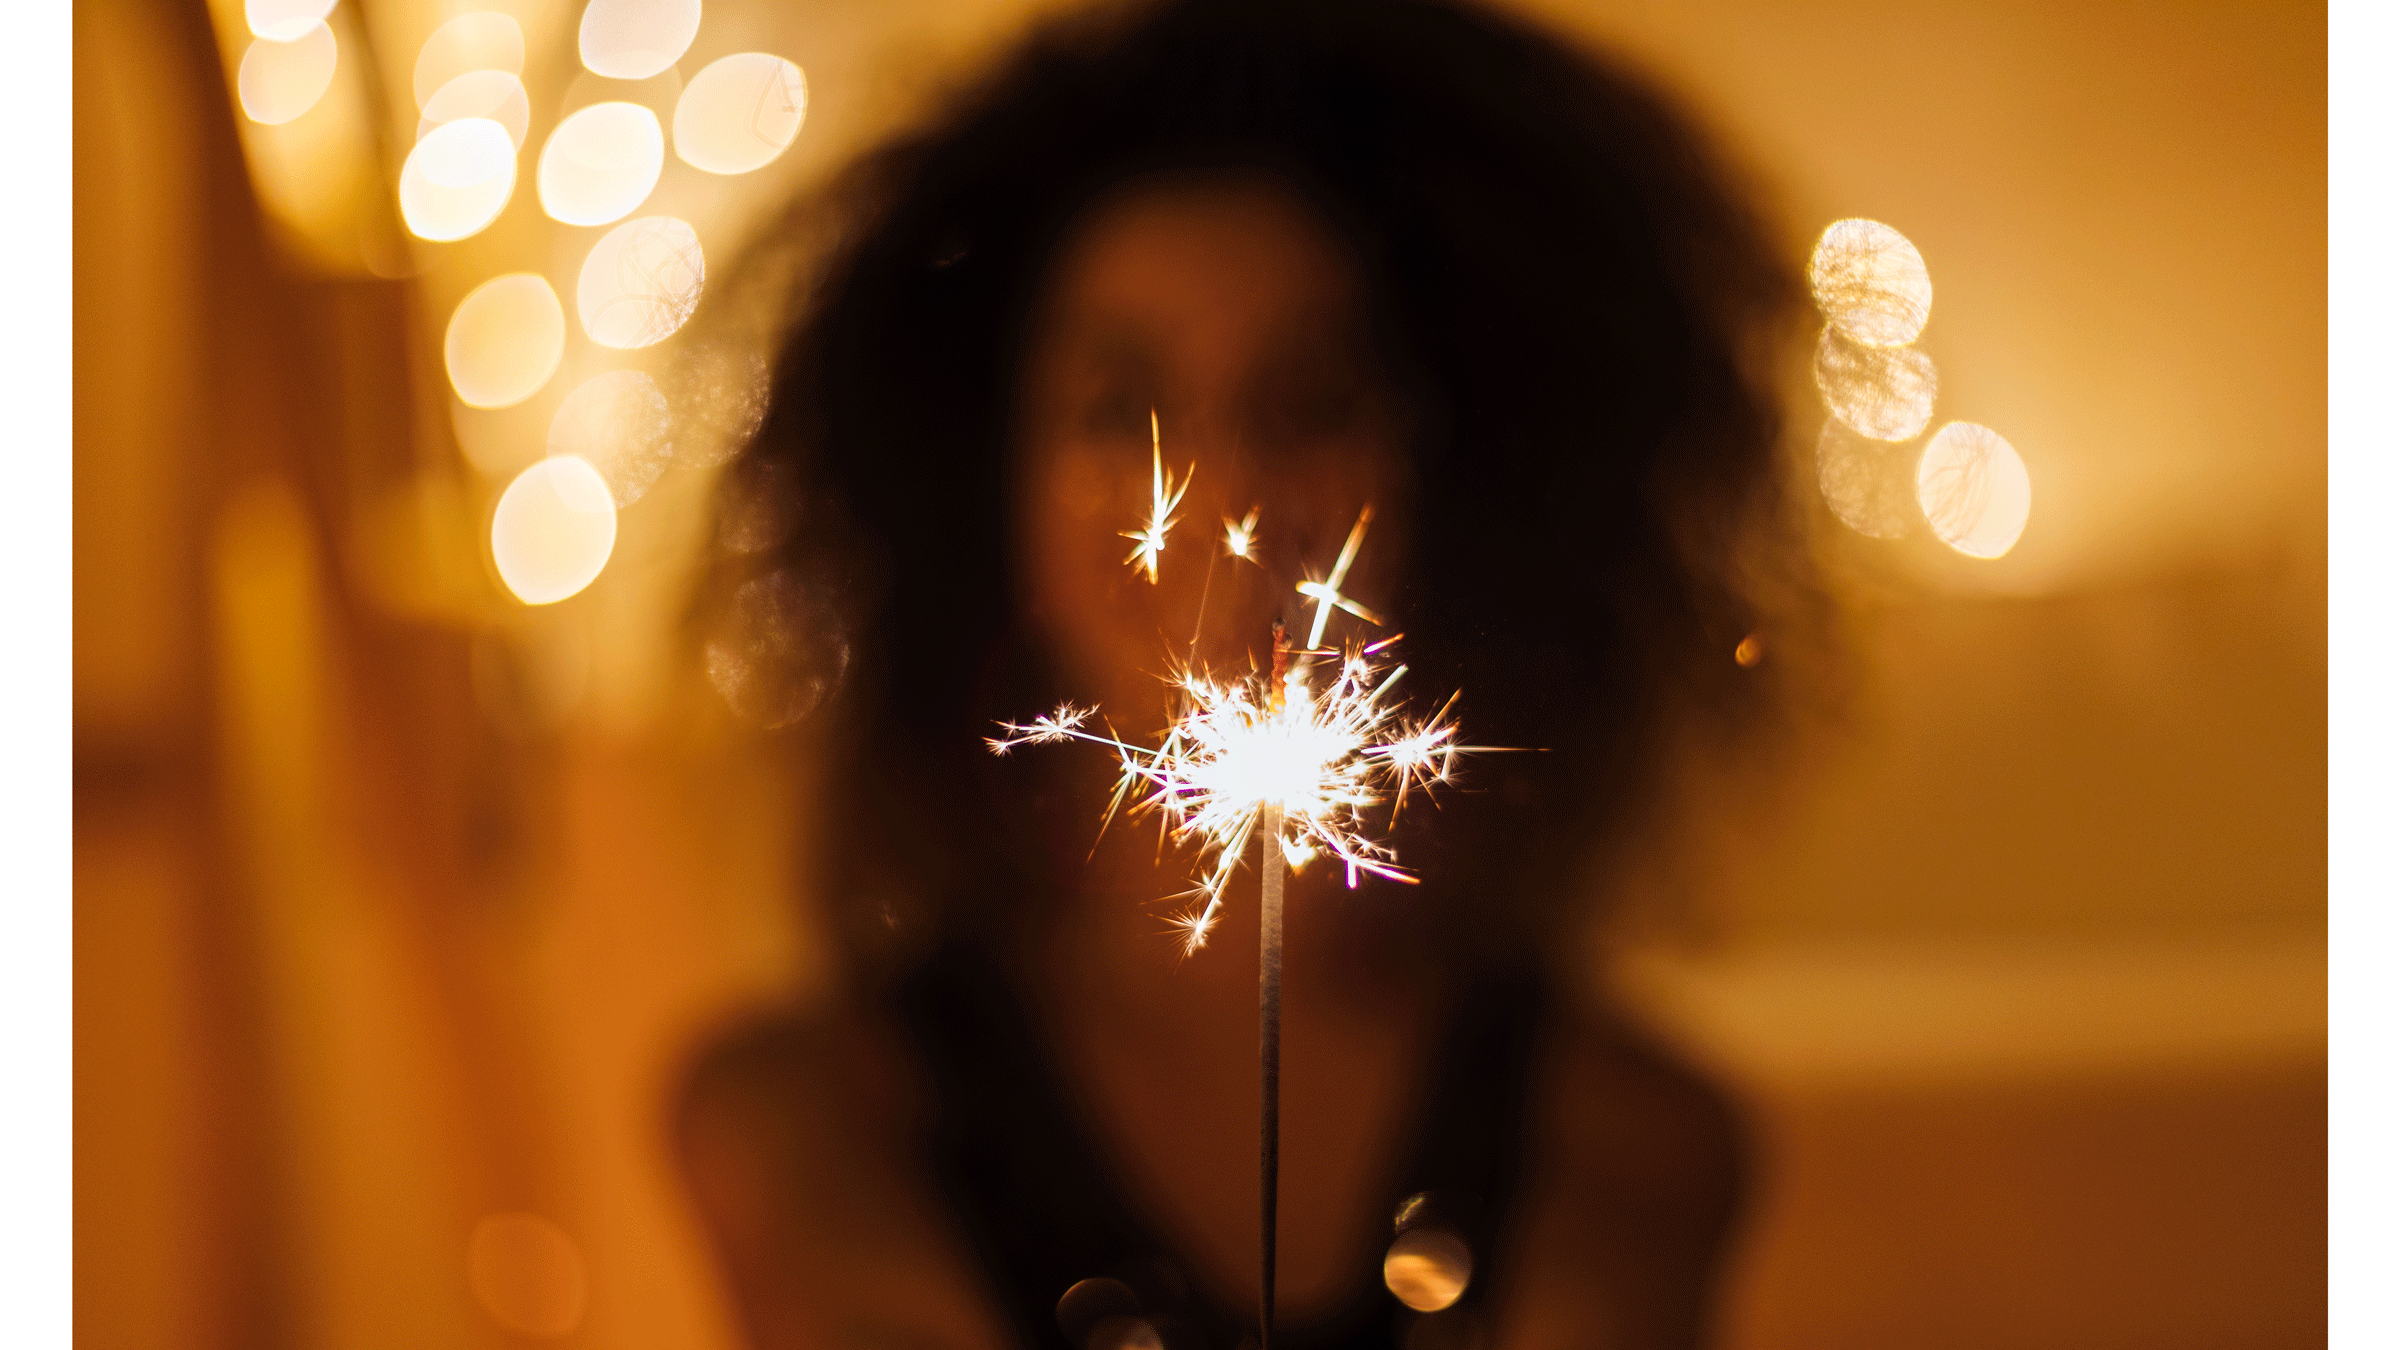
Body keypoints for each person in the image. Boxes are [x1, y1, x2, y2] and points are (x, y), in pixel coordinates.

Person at [679, 1, 1809, 1346]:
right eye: (1121, 408)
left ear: (1448, 472)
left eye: (1308, 400)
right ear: (986, 488)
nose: (1222, 486)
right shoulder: (813, 1128)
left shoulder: (1628, 1147)